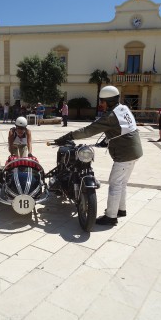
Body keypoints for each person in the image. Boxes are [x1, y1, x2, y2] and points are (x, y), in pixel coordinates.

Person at [55, 85, 143, 226]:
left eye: (102, 101)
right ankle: (121, 209)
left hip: (125, 154)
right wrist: (106, 141)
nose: (100, 104)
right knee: (122, 183)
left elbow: (88, 131)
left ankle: (111, 217)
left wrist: (67, 136)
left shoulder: (110, 116)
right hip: (135, 151)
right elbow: (121, 130)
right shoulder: (123, 108)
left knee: (115, 184)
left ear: (110, 101)